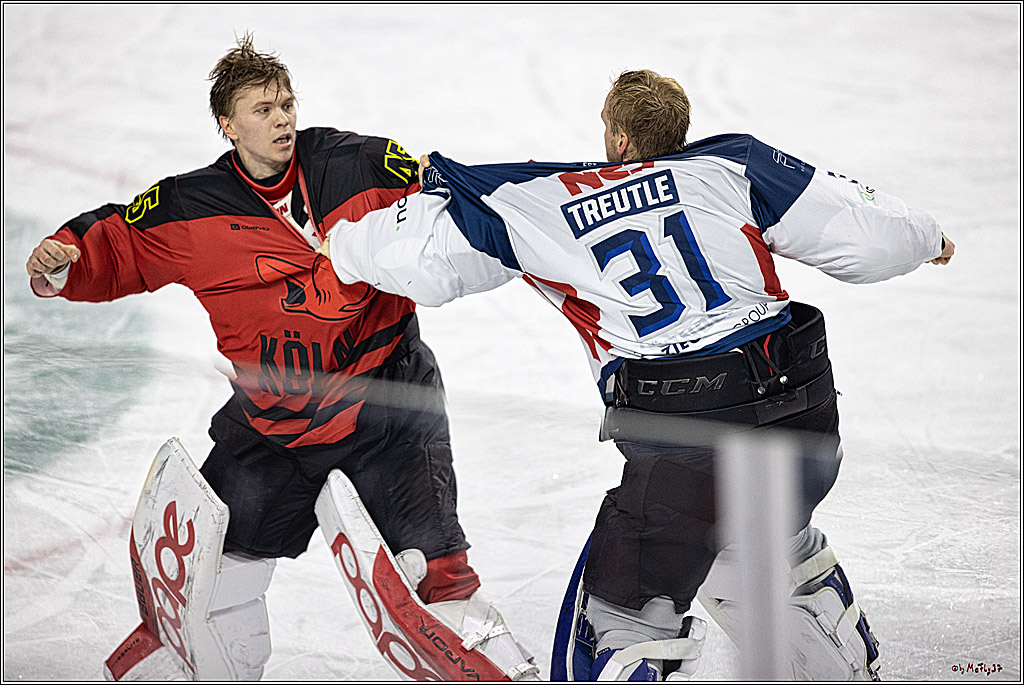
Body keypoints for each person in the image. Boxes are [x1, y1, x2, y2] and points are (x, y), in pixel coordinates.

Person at [316, 69, 955, 680]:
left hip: (689, 441)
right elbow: (866, 231)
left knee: (622, 607)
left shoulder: (540, 200)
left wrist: (335, 245)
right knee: (753, 533)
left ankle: (624, 639)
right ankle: (829, 641)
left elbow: (424, 260)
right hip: (807, 420)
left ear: (618, 139)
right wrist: (927, 238)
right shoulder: (729, 166)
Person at [25, 35, 536, 681]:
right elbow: (118, 243)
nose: (283, 118)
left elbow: (449, 199)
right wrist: (64, 260)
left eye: (287, 103)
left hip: (387, 402)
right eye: (263, 109)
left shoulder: (361, 162)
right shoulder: (190, 208)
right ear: (227, 124)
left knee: (439, 577)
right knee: (211, 597)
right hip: (276, 424)